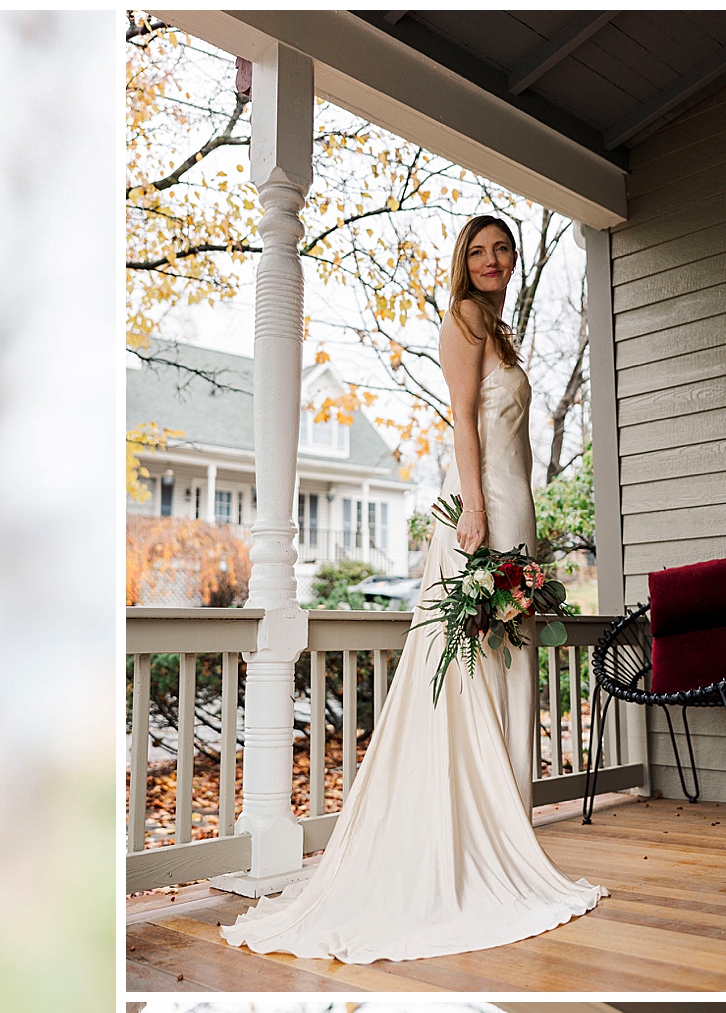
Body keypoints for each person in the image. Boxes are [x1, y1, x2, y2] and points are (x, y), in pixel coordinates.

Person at [225, 216, 605, 963]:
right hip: (482, 518)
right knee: (470, 685)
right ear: (462, 262)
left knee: (508, 677)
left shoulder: (499, 327)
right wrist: (476, 513)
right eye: (479, 250)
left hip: (515, 514)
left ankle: (506, 836)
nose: (493, 259)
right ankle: (468, 847)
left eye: (503, 249)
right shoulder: (461, 319)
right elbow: (462, 422)